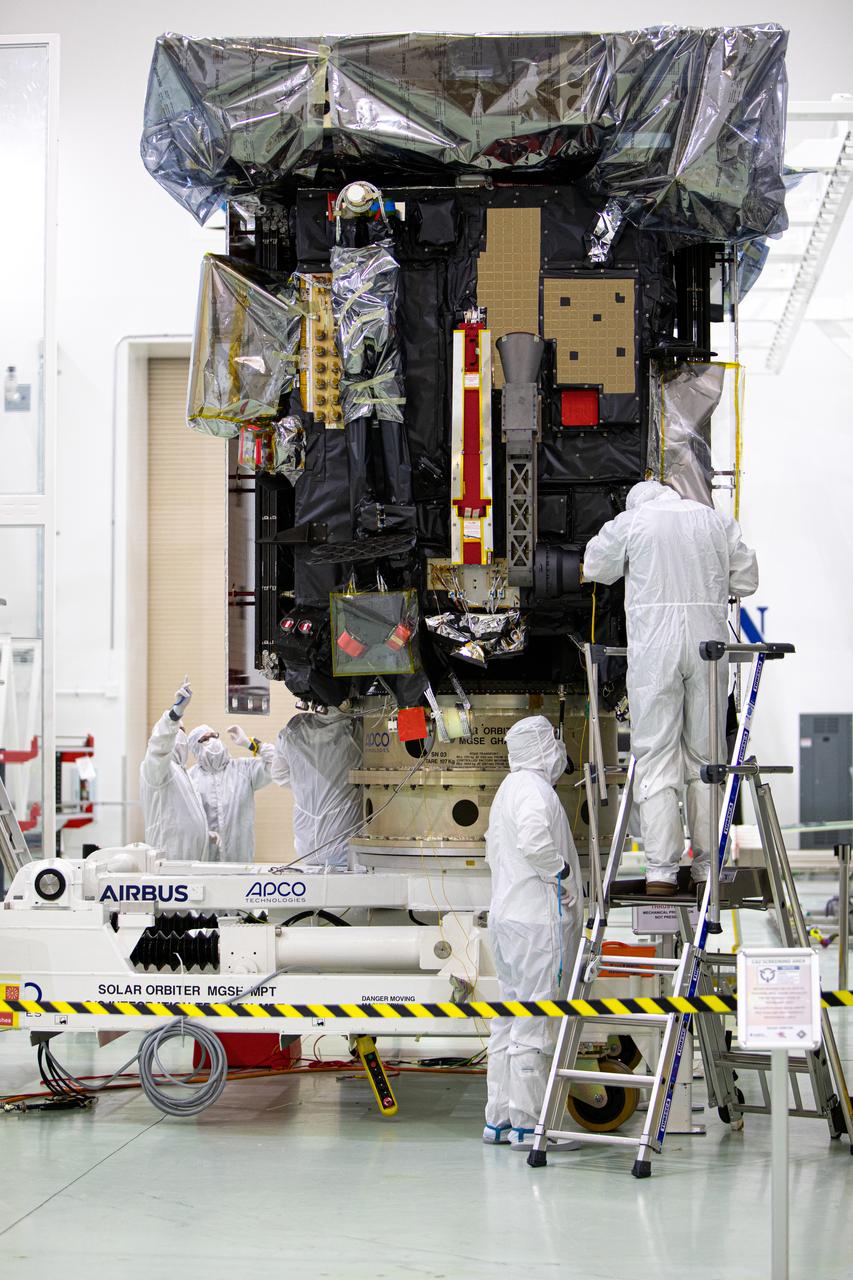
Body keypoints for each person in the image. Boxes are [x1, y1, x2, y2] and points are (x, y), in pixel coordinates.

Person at [582, 480, 759, 895]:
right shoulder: (715, 522)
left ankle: (661, 871)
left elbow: (595, 565)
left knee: (657, 756)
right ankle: (705, 870)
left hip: (655, 654)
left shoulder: (633, 522)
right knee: (706, 761)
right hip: (707, 649)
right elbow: (747, 580)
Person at [483, 715, 583, 1150]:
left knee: (507, 1021)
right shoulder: (535, 791)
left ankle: (499, 1120)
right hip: (535, 923)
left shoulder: (507, 788)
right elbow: (535, 842)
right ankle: (530, 1126)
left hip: (506, 918)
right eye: (554, 743)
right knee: (533, 1024)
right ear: (544, 746)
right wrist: (559, 872)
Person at [270, 706, 362, 869]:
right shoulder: (357, 731)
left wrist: (305, 786)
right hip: (344, 851)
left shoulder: (293, 730)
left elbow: (278, 774)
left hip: (306, 848)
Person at [139, 678, 212, 860]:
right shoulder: (156, 769)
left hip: (186, 867)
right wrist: (174, 714)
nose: (180, 734)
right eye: (177, 730)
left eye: (183, 730)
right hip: (169, 865)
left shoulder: (182, 772)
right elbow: (160, 745)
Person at [187, 724, 275, 862]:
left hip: (240, 865)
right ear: (195, 748)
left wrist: (252, 744)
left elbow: (276, 762)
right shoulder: (190, 779)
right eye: (205, 739)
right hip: (205, 866)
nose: (212, 741)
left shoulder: (244, 769)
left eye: (214, 736)